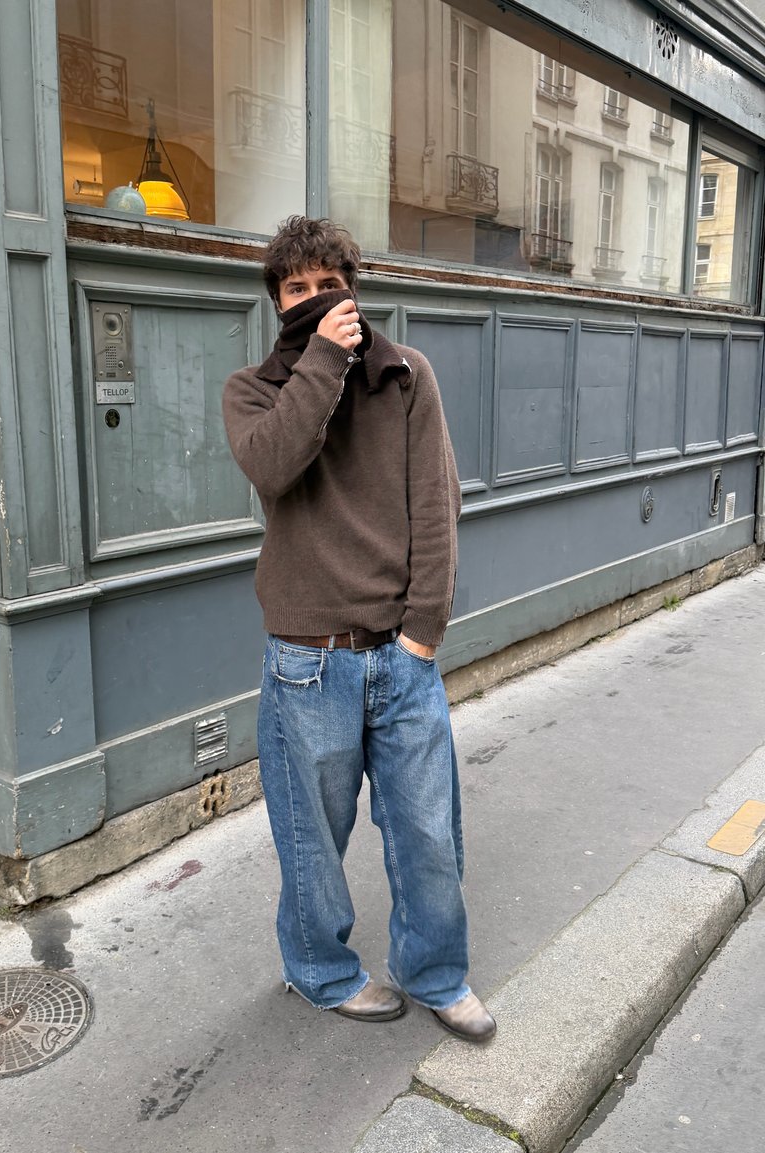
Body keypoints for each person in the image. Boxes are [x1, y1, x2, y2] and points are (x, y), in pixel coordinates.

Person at [223, 216, 495, 1043]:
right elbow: (273, 465)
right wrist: (325, 361)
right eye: (295, 289)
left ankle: (437, 973)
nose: (313, 299)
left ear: (353, 286)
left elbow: (436, 507)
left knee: (427, 830)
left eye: (326, 283)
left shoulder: (407, 377)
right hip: (307, 660)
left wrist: (424, 632)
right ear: (278, 303)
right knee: (313, 837)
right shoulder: (254, 390)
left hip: (400, 655)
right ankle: (322, 970)